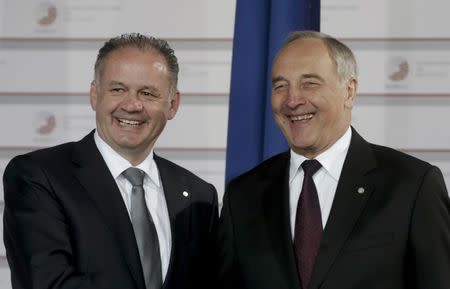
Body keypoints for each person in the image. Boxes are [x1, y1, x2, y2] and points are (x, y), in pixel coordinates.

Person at [217, 31, 450, 289]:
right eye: (280, 86)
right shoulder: (242, 197)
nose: (293, 100)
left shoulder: (412, 186)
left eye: (310, 83)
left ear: (349, 92)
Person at [3, 33, 218, 289]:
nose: (132, 104)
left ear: (173, 104)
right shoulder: (39, 176)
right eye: (117, 89)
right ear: (95, 95)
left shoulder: (198, 196)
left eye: (148, 93)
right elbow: (48, 283)